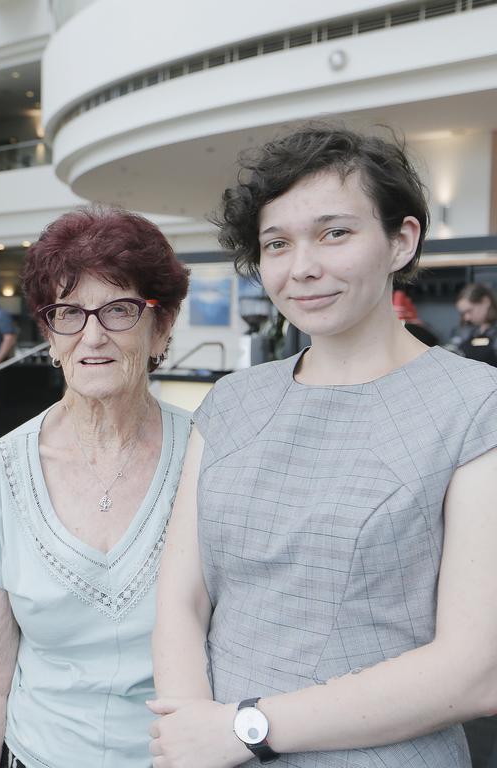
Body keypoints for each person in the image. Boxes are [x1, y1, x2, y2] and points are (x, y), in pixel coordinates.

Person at [149, 126, 497, 768]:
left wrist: (245, 730)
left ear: (402, 240)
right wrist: (192, 731)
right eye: (277, 243)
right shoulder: (234, 401)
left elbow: (475, 670)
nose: (302, 266)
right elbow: (181, 597)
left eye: (335, 232)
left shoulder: (475, 406)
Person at [0, 205, 191, 767]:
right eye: (69, 314)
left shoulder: (210, 459)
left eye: (120, 310)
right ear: (49, 336)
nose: (93, 336)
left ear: (163, 324)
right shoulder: (0, 473)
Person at [451, 283, 497, 365]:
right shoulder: (466, 330)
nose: (466, 318)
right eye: (463, 314)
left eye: (469, 311)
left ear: (485, 301)